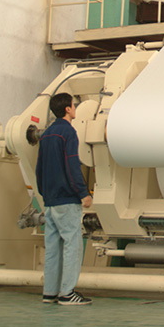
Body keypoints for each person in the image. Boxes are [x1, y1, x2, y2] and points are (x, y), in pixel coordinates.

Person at [36, 92, 93, 305]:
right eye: (74, 105)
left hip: (50, 202)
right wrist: (83, 193)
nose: (75, 108)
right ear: (68, 109)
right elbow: (72, 165)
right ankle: (67, 293)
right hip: (67, 201)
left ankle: (50, 292)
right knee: (72, 246)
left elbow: (39, 168)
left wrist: (45, 194)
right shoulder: (68, 132)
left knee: (52, 248)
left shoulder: (47, 134)